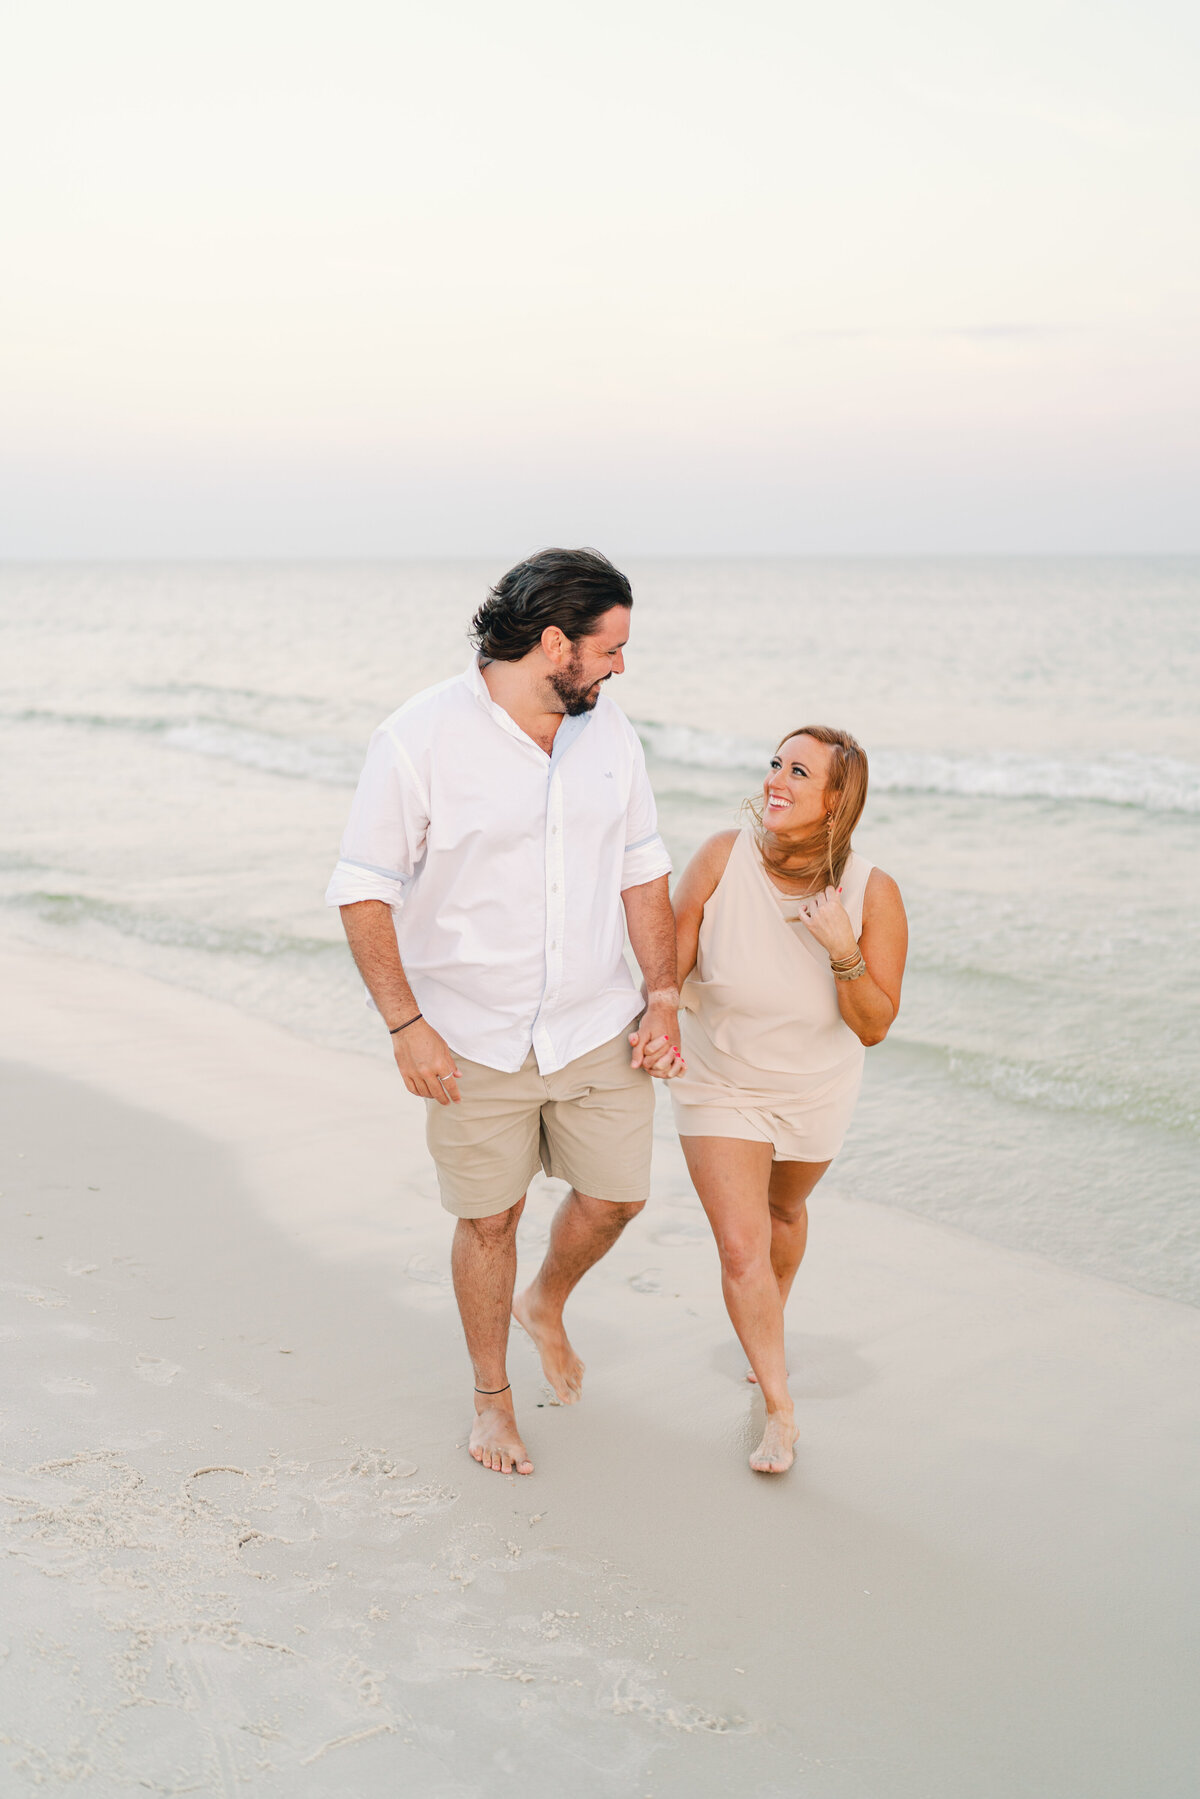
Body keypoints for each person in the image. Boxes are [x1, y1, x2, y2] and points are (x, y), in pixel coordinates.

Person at [325, 549, 683, 1478]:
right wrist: (408, 1026)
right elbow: (364, 890)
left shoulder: (611, 733)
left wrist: (666, 995)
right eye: (609, 649)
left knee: (616, 1196)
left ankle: (547, 1299)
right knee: (492, 1219)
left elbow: (643, 868)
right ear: (554, 640)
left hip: (597, 1018)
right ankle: (492, 1398)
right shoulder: (417, 738)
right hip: (472, 1032)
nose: (619, 667)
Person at [667, 726, 907, 1475]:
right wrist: (650, 1023)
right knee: (742, 1246)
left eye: (799, 771)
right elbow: (666, 971)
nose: (777, 778)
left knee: (782, 1214)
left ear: (837, 801)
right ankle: (779, 1410)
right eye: (775, 762)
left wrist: (842, 947)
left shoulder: (873, 892)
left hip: (814, 1089)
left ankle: (770, 1313)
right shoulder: (719, 857)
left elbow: (873, 1026)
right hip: (718, 1077)